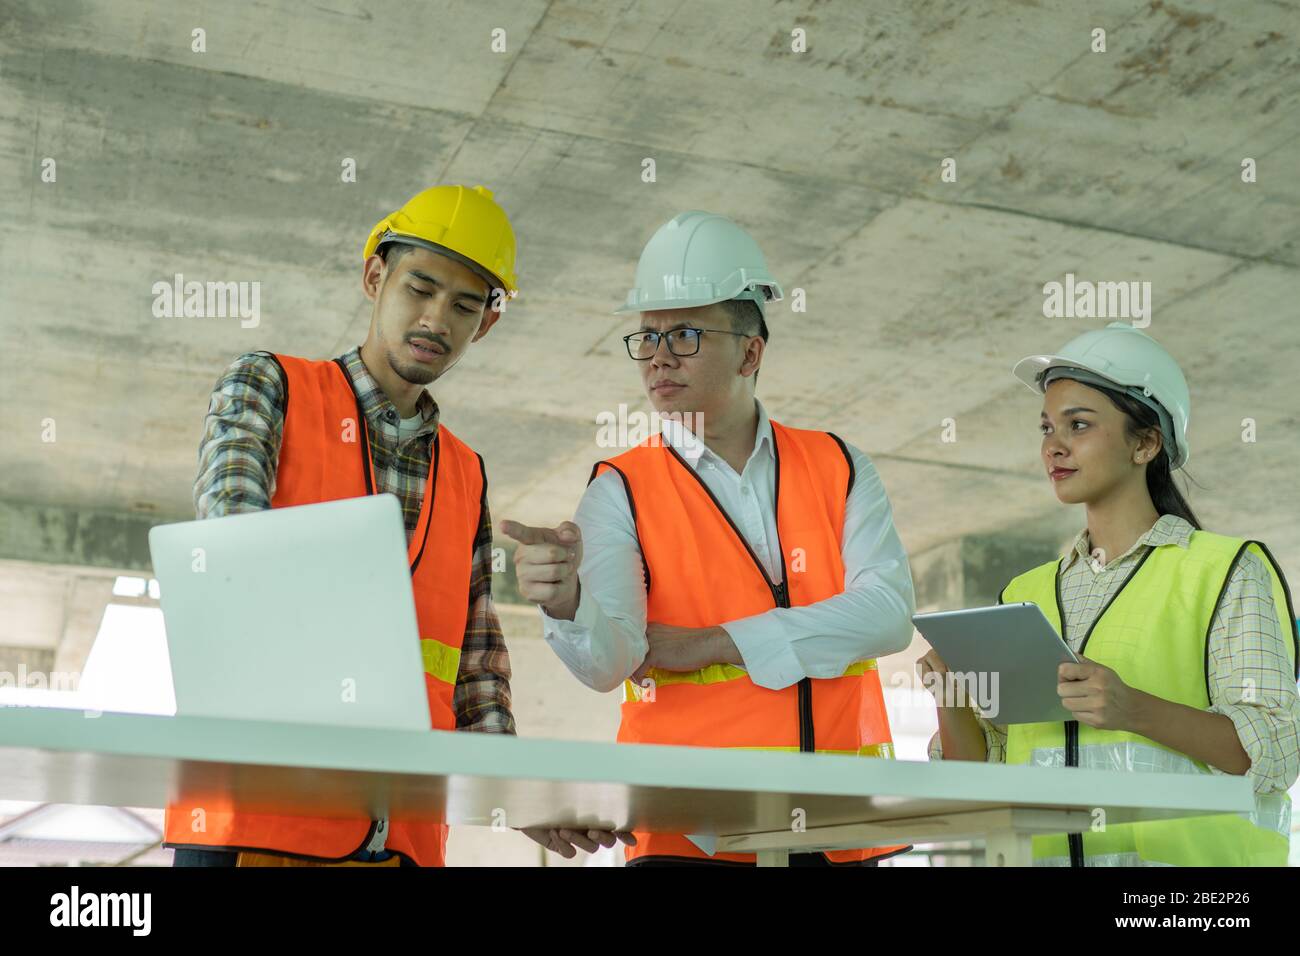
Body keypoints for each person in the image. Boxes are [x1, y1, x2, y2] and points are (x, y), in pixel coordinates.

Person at [502, 211, 916, 866]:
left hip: (840, 830)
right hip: (689, 835)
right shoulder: (619, 489)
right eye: (648, 337)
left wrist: (717, 642)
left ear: (751, 352)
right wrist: (567, 604)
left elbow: (888, 616)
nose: (660, 356)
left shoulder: (839, 465)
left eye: (687, 334)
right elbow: (612, 662)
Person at [164, 184, 547, 866]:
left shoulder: (466, 472)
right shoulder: (271, 388)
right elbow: (227, 561)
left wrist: (515, 793)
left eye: (465, 305)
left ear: (486, 324)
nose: (437, 319)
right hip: (258, 820)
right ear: (375, 278)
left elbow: (477, 665)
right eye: (420, 289)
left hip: (402, 834)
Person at [921, 320, 1299, 866]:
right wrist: (951, 699)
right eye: (1047, 428)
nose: (1054, 446)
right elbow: (981, 789)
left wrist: (1134, 709)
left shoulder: (1226, 571)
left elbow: (1276, 753)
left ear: (1146, 443)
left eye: (1078, 425)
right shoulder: (1025, 593)